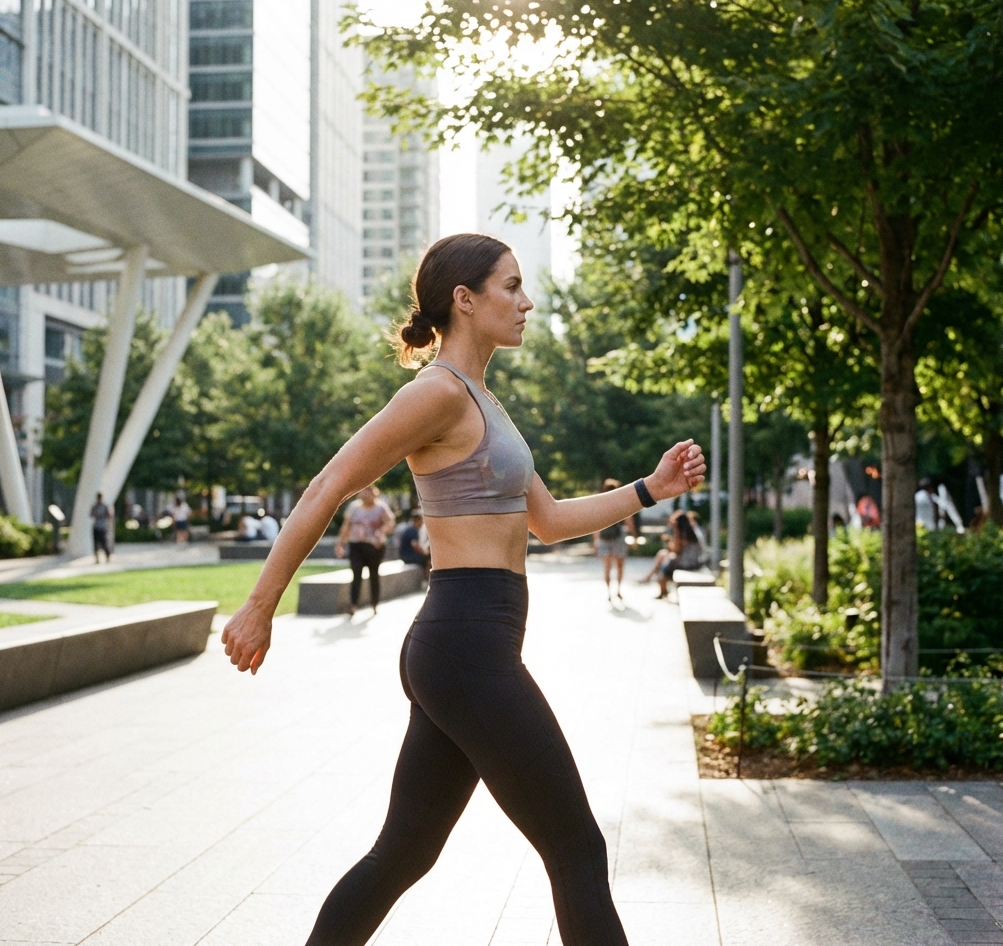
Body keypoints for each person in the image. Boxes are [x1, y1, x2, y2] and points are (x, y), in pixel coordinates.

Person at [220, 233, 706, 946]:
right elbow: (330, 484)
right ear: (465, 299)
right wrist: (260, 606)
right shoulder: (436, 394)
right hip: (466, 645)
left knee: (404, 853)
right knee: (577, 849)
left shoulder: (485, 400)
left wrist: (649, 490)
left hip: (466, 646)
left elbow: (545, 522)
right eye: (512, 286)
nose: (527, 301)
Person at [335, 485, 396, 615]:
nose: (365, 495)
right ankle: (353, 605)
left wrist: (382, 531)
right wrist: (340, 543)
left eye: (368, 492)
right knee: (356, 573)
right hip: (356, 544)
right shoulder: (354, 507)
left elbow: (390, 522)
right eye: (363, 493)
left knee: (373, 574)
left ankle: (374, 603)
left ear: (374, 494)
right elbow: (346, 526)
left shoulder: (381, 507)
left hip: (374, 546)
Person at [640, 510, 703, 599]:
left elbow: (676, 550)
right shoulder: (690, 531)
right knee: (663, 557)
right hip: (695, 561)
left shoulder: (681, 533)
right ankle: (651, 578)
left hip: (687, 562)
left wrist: (670, 541)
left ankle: (661, 588)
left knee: (664, 565)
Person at [592, 478, 636, 605]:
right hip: (619, 537)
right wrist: (633, 536)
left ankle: (608, 593)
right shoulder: (622, 503)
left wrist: (596, 542)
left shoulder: (599, 504)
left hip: (604, 538)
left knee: (607, 567)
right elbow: (629, 521)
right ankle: (618, 590)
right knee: (620, 566)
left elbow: (595, 525)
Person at [399, 508, 431, 578]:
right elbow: (415, 546)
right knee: (427, 558)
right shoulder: (411, 530)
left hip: (408, 555)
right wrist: (426, 552)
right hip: (407, 556)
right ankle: (427, 578)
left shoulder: (413, 529)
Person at [90, 492, 113, 563]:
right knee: (96, 543)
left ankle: (107, 555)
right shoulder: (95, 506)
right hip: (96, 526)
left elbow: (109, 515)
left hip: (102, 526)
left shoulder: (105, 506)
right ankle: (97, 558)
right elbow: (91, 514)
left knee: (104, 543)